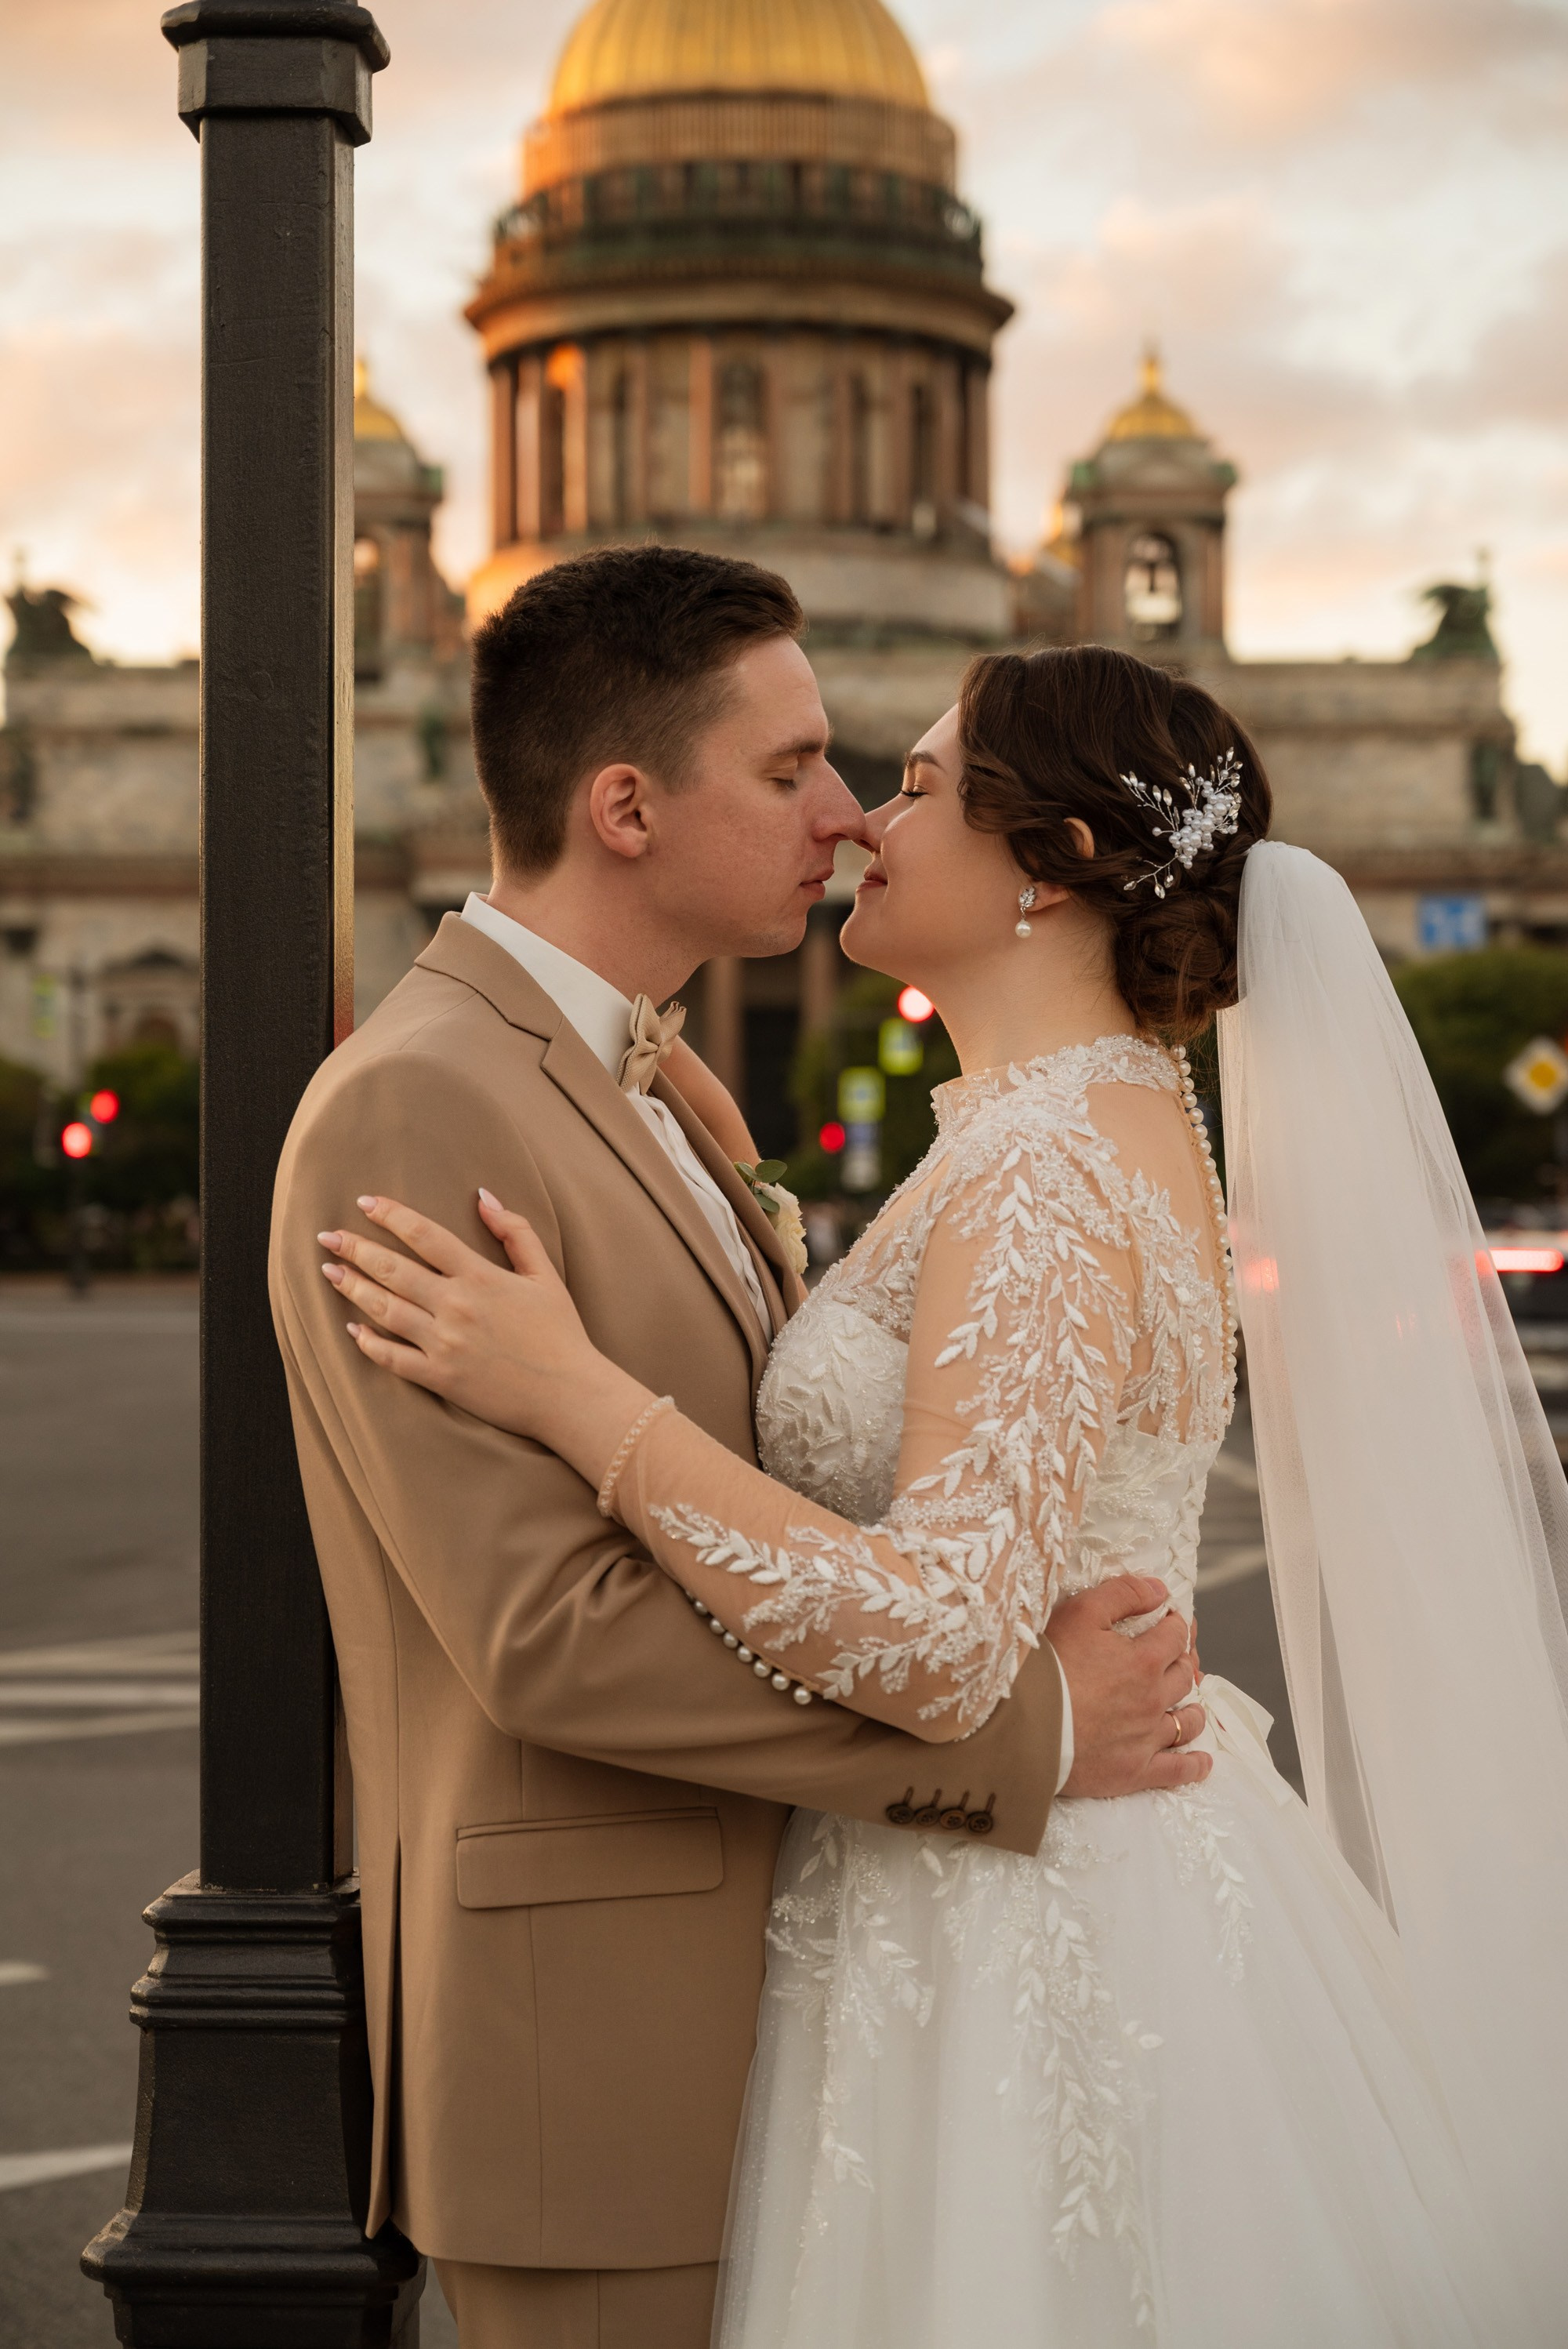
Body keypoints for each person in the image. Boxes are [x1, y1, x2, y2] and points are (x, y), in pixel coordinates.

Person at [326, 641, 1568, 2347]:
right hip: (1035, 1875)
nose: (856, 821)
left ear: (1054, 865)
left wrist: (576, 1395)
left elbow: (938, 1632)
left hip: (1020, 1918)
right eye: (825, 776)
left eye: (911, 785)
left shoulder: (1044, 1165)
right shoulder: (1076, 1120)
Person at [269, 554, 1210, 2349]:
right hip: (606, 2056)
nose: (846, 815)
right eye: (791, 771)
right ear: (626, 806)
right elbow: (549, 1633)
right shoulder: (424, 1100)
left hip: (820, 2012)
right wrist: (1027, 1733)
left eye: (869, 775)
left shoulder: (654, 1086)